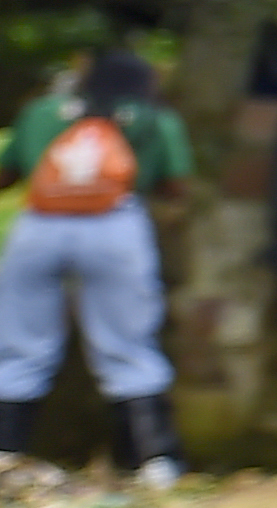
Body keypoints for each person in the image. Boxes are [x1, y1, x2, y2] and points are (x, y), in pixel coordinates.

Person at [0, 47, 193, 481]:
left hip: (39, 225)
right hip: (114, 226)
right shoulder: (152, 116)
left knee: (18, 344)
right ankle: (155, 461)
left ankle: (5, 452)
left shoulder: (42, 111)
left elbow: (6, 173)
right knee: (127, 344)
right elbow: (176, 185)